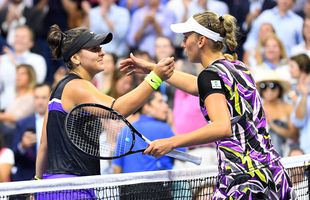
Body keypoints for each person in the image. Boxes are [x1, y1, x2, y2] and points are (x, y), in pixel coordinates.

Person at [120, 11, 296, 199]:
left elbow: (222, 127)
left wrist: (171, 142)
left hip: (244, 180)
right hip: (273, 173)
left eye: (186, 37)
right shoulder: (238, 67)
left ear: (201, 41)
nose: (182, 44)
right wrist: (151, 68)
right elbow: (197, 86)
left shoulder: (210, 75)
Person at [35, 24, 174, 198]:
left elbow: (44, 145)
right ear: (76, 58)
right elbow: (118, 110)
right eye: (94, 49)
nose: (102, 53)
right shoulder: (77, 86)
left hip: (52, 188)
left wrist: (36, 183)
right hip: (73, 190)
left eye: (101, 48)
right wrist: (155, 78)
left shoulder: (59, 88)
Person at [11, 83, 51, 181]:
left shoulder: (57, 122)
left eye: (43, 98)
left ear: (50, 98)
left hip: (50, 177)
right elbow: (13, 155)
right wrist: (22, 146)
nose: (40, 102)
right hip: (26, 178)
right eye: (37, 98)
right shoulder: (22, 123)